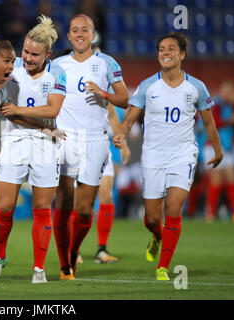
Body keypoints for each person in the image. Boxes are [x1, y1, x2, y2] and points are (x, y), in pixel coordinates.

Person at [113, 32, 223, 281]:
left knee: (174, 209)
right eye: (161, 48)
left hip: (183, 154)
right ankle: (157, 235)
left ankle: (163, 266)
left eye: (171, 48)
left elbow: (208, 123)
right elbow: (130, 118)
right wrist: (121, 134)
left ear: (182, 54)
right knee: (152, 217)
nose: (165, 52)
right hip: (153, 156)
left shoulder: (196, 87)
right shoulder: (148, 86)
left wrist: (217, 150)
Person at [0, 15, 67, 284]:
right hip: (14, 141)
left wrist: (20, 110)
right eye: (26, 52)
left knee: (42, 209)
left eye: (35, 54)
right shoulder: (12, 68)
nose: (28, 58)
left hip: (45, 145)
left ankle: (39, 269)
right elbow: (4, 109)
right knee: (5, 206)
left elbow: (52, 110)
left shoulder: (58, 73)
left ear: (48, 54)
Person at [52, 14, 129, 280]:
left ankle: (73, 251)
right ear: (69, 36)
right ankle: (64, 265)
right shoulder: (57, 64)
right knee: (63, 202)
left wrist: (104, 94)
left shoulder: (106, 62)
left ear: (92, 33)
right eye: (75, 30)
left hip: (96, 140)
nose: (80, 34)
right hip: (65, 138)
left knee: (85, 210)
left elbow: (124, 99)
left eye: (84, 30)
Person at [204, 79, 234, 222]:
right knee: (216, 180)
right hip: (213, 147)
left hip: (227, 147)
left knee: (232, 179)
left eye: (231, 90)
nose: (228, 93)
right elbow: (214, 123)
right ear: (221, 91)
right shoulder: (215, 104)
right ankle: (210, 212)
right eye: (226, 90)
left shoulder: (232, 105)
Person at [94, 103, 131, 264]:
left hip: (102, 147)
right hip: (78, 144)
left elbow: (111, 113)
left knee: (107, 196)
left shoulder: (101, 83)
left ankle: (102, 249)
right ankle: (74, 249)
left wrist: (123, 144)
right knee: (79, 203)